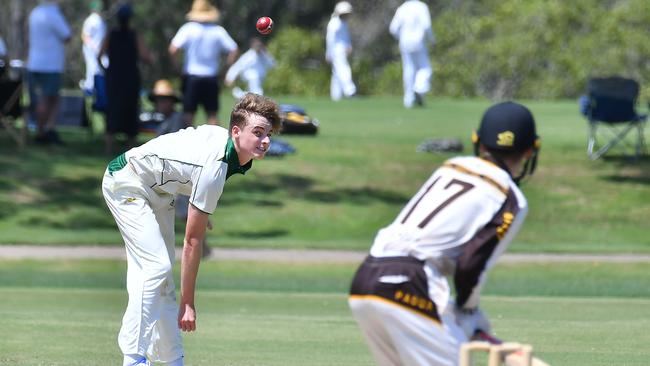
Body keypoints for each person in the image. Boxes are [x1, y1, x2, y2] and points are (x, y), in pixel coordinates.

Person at [348, 101, 541, 366]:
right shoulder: (512, 198)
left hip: (365, 278)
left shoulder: (451, 166)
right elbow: (472, 264)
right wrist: (468, 310)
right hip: (411, 283)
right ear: (531, 150)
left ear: (478, 142)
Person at [102, 93, 281, 366]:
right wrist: (188, 303)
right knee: (157, 267)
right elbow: (192, 241)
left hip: (158, 192)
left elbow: (182, 162)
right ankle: (133, 358)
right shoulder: (217, 164)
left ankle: (172, 360)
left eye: (268, 133)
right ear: (236, 131)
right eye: (258, 133)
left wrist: (201, 211)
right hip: (126, 182)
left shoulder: (224, 148)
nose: (265, 140)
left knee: (161, 279)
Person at [169, 0, 239, 126]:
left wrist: (177, 68)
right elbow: (234, 49)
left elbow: (173, 50)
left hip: (192, 77)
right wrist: (225, 70)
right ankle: (216, 144)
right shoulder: (218, 30)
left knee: (189, 114)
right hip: (211, 77)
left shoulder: (188, 29)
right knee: (212, 114)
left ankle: (188, 143)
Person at [99, 3, 153, 155]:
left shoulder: (111, 34)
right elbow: (145, 56)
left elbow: (99, 55)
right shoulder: (135, 35)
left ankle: (108, 150)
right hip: (130, 78)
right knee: (131, 111)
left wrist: (107, 71)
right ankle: (131, 152)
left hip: (114, 78)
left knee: (112, 111)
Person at [26, 0, 71, 144]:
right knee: (47, 99)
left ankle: (47, 130)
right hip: (50, 65)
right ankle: (43, 132)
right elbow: (67, 35)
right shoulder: (52, 14)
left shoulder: (35, 13)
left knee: (48, 98)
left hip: (34, 63)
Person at [389, 0, 435, 108]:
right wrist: (432, 39)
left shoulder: (402, 8)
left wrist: (401, 38)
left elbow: (393, 29)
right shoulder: (421, 7)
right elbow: (427, 26)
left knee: (409, 70)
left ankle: (408, 100)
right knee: (425, 68)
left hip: (405, 43)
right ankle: (419, 88)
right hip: (419, 42)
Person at [325, 1, 356, 101]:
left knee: (337, 73)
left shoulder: (343, 23)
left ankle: (336, 96)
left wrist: (348, 45)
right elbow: (330, 39)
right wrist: (329, 53)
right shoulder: (334, 23)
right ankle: (350, 91)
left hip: (341, 51)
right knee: (344, 70)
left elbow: (345, 37)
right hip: (336, 51)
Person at [81, 0, 106, 94]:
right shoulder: (91, 20)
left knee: (100, 70)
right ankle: (89, 90)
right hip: (92, 50)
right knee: (92, 70)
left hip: (99, 50)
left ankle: (98, 91)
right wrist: (93, 47)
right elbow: (85, 35)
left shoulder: (100, 20)